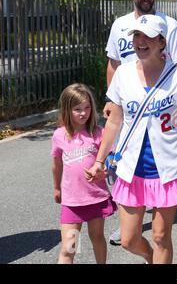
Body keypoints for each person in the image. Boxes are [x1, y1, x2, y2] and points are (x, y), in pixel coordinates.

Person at [85, 14, 177, 264]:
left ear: (162, 41)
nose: (140, 41)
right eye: (136, 36)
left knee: (161, 236)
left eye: (147, 36)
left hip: (168, 169)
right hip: (132, 169)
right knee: (128, 239)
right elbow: (115, 121)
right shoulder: (124, 74)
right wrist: (100, 159)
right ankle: (151, 258)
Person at [104, 0, 177, 245]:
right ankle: (129, 223)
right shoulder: (120, 25)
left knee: (169, 150)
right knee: (129, 157)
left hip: (162, 97)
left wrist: (173, 93)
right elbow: (113, 62)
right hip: (130, 99)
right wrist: (112, 99)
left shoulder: (169, 24)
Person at [51, 83, 116, 264]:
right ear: (66, 109)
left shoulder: (98, 133)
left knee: (97, 237)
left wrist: (107, 170)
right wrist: (56, 188)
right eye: (77, 109)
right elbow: (56, 164)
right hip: (72, 202)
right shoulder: (59, 135)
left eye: (87, 107)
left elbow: (112, 160)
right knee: (69, 246)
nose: (83, 113)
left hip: (95, 198)